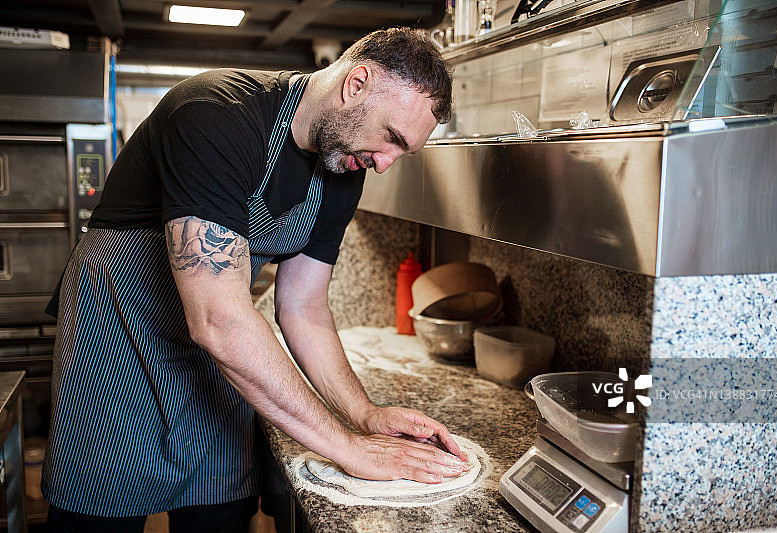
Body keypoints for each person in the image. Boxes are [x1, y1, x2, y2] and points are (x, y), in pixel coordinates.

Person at [42, 27, 466, 532]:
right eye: (391, 138)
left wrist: (364, 414)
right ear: (357, 83)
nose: (384, 163)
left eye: (404, 152)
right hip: (118, 339)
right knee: (99, 516)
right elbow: (218, 319)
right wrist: (349, 448)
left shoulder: (344, 168)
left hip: (218, 351)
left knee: (219, 512)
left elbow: (303, 307)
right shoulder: (214, 113)